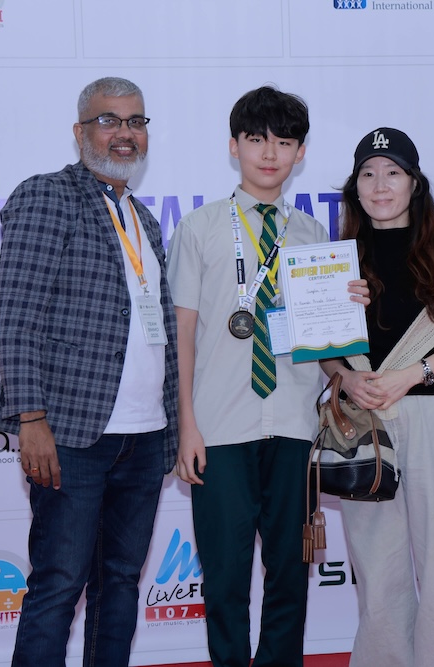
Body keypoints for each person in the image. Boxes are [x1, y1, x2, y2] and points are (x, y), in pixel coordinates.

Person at [166, 85, 368, 667]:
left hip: (295, 425)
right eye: (257, 139)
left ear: (300, 152)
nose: (270, 153)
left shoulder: (313, 235)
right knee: (225, 576)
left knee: (289, 574)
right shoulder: (200, 228)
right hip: (219, 425)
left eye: (284, 141)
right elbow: (182, 337)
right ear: (234, 146)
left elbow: (319, 344)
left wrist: (347, 321)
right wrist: (186, 426)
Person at [0, 76, 179, 666]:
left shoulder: (143, 220)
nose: (124, 133)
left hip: (145, 436)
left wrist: (172, 428)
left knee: (120, 583)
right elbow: (16, 316)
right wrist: (31, 418)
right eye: (109, 120)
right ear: (80, 131)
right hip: (70, 434)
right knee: (58, 586)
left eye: (135, 121)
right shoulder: (48, 195)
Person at [320, 127, 434, 667]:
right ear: (355, 188)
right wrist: (346, 379)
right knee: (377, 569)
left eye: (393, 172)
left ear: (414, 183)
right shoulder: (336, 260)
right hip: (364, 421)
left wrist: (410, 375)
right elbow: (324, 349)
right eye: (368, 174)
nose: (380, 185)